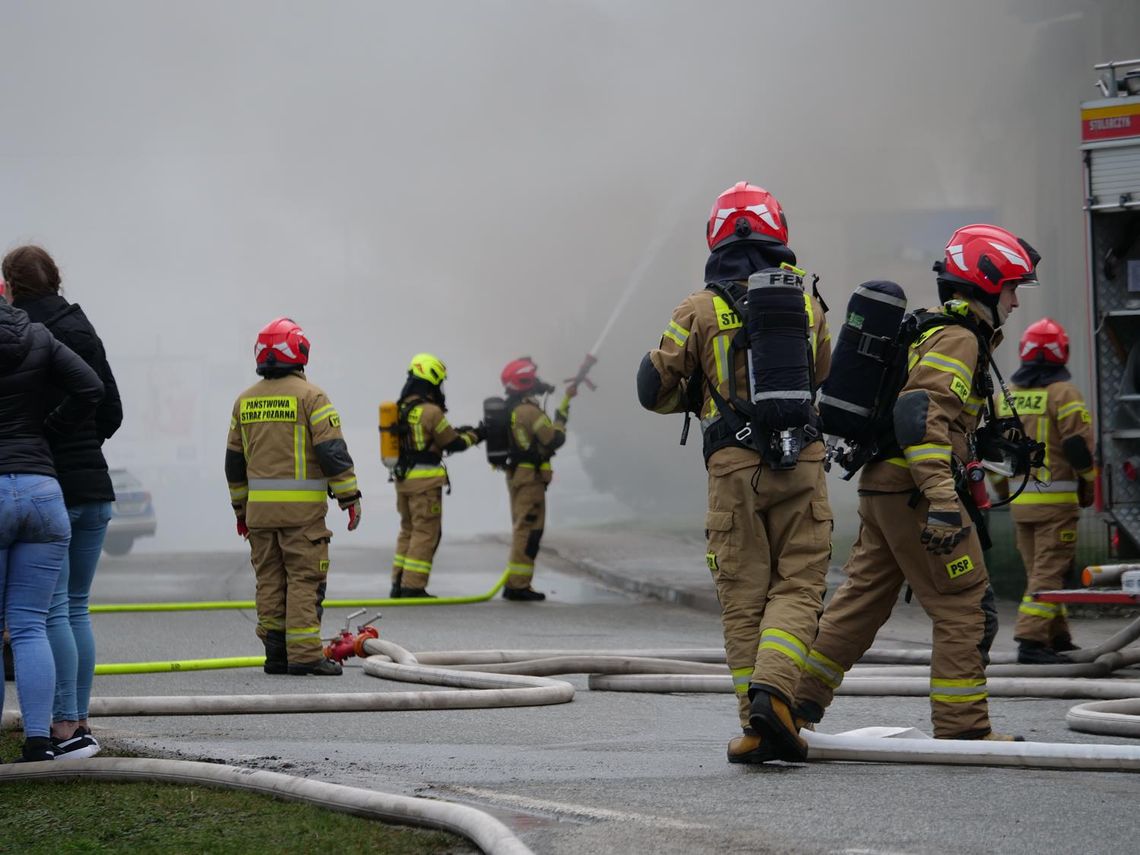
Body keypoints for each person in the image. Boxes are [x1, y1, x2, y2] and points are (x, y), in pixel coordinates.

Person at [791, 224, 1041, 747]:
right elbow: (920, 416)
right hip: (918, 494)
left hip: (884, 489)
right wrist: (944, 501)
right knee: (965, 606)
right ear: (985, 283)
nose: (1016, 301)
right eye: (1012, 288)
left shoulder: (934, 330)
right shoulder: (959, 338)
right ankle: (963, 728)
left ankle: (790, 706)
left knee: (860, 604)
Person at [637, 181, 833, 764]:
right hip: (803, 463)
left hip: (732, 470)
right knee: (798, 586)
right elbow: (821, 373)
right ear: (778, 232)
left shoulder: (696, 309)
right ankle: (776, 702)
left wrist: (706, 395)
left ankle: (757, 720)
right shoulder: (807, 303)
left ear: (716, 237)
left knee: (744, 596)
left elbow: (654, 390)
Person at [5, 245, 122, 760]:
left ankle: (57, 725)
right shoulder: (81, 327)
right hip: (92, 485)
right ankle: (76, 720)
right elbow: (109, 407)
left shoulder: (21, 331)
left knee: (43, 613)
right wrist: (81, 441)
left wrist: (49, 436)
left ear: (11, 286)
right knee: (76, 608)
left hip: (44, 482)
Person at [225, 317, 361, 676]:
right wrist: (349, 497)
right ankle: (304, 655)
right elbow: (332, 452)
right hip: (302, 516)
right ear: (299, 350)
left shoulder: (244, 402)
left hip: (259, 516)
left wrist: (241, 510)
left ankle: (276, 654)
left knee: (270, 581)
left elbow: (234, 464)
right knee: (304, 579)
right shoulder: (311, 397)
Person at [1002, 318, 1095, 664]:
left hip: (1020, 504)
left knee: (1040, 573)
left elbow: (997, 451)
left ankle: (1056, 637)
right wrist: (1090, 483)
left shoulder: (1006, 396)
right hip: (1056, 505)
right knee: (1049, 572)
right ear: (1062, 352)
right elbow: (1077, 448)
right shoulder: (1063, 394)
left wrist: (1000, 492)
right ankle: (1030, 640)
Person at [389, 353, 483, 598]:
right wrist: (476, 435)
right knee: (426, 532)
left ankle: (398, 582)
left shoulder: (400, 409)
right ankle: (413, 586)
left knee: (408, 530)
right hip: (425, 483)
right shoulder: (431, 411)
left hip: (403, 480)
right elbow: (452, 443)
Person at [499, 357, 575, 601]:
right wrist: (561, 418)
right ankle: (518, 585)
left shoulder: (511, 409)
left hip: (517, 476)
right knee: (528, 530)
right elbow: (553, 439)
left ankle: (517, 582)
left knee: (523, 527)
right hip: (530, 479)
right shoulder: (529, 411)